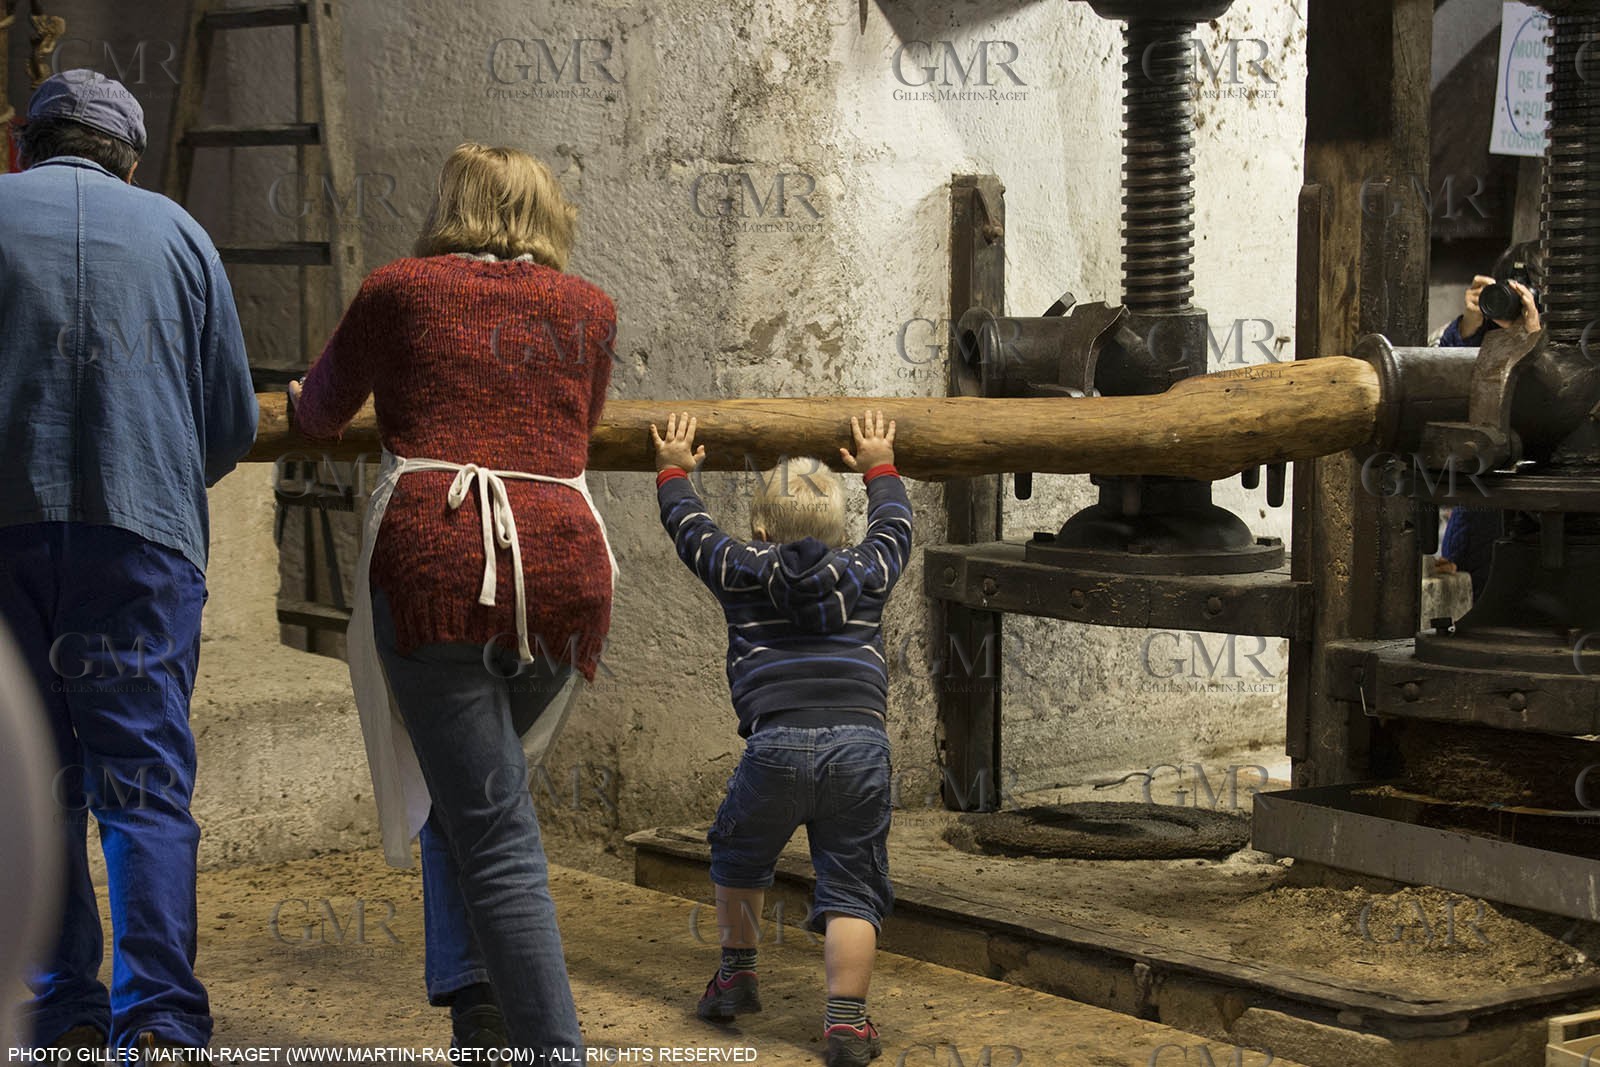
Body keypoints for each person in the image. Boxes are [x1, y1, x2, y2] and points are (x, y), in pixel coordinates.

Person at [290, 143, 617, 1058]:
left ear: (452, 205)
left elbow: (320, 413)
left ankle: (551, 1049)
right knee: (474, 790)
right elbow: (580, 424)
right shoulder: (589, 307)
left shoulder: (399, 290)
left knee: (496, 829)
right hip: (563, 571)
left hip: (437, 565)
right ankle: (477, 1006)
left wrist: (299, 398)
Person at [0, 71, 258, 1053]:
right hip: (140, 539)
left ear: (23, 145)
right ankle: (157, 1020)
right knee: (143, 781)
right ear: (131, 162)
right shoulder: (182, 237)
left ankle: (59, 1003)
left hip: (6, 532)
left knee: (29, 780)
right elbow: (229, 422)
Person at [651, 411, 912, 1067]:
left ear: (762, 532)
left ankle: (736, 974)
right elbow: (896, 526)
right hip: (860, 749)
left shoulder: (741, 567)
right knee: (852, 884)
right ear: (842, 533)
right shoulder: (869, 568)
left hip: (775, 746)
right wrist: (879, 465)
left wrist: (674, 472)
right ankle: (846, 1025)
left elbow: (692, 530)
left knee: (739, 855)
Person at [1433, 247, 1542, 599]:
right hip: (1480, 514)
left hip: (1542, 514)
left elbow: (1551, 400)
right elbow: (1438, 385)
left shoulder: (1571, 340)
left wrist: (1532, 337)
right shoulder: (1476, 335)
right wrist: (1468, 326)